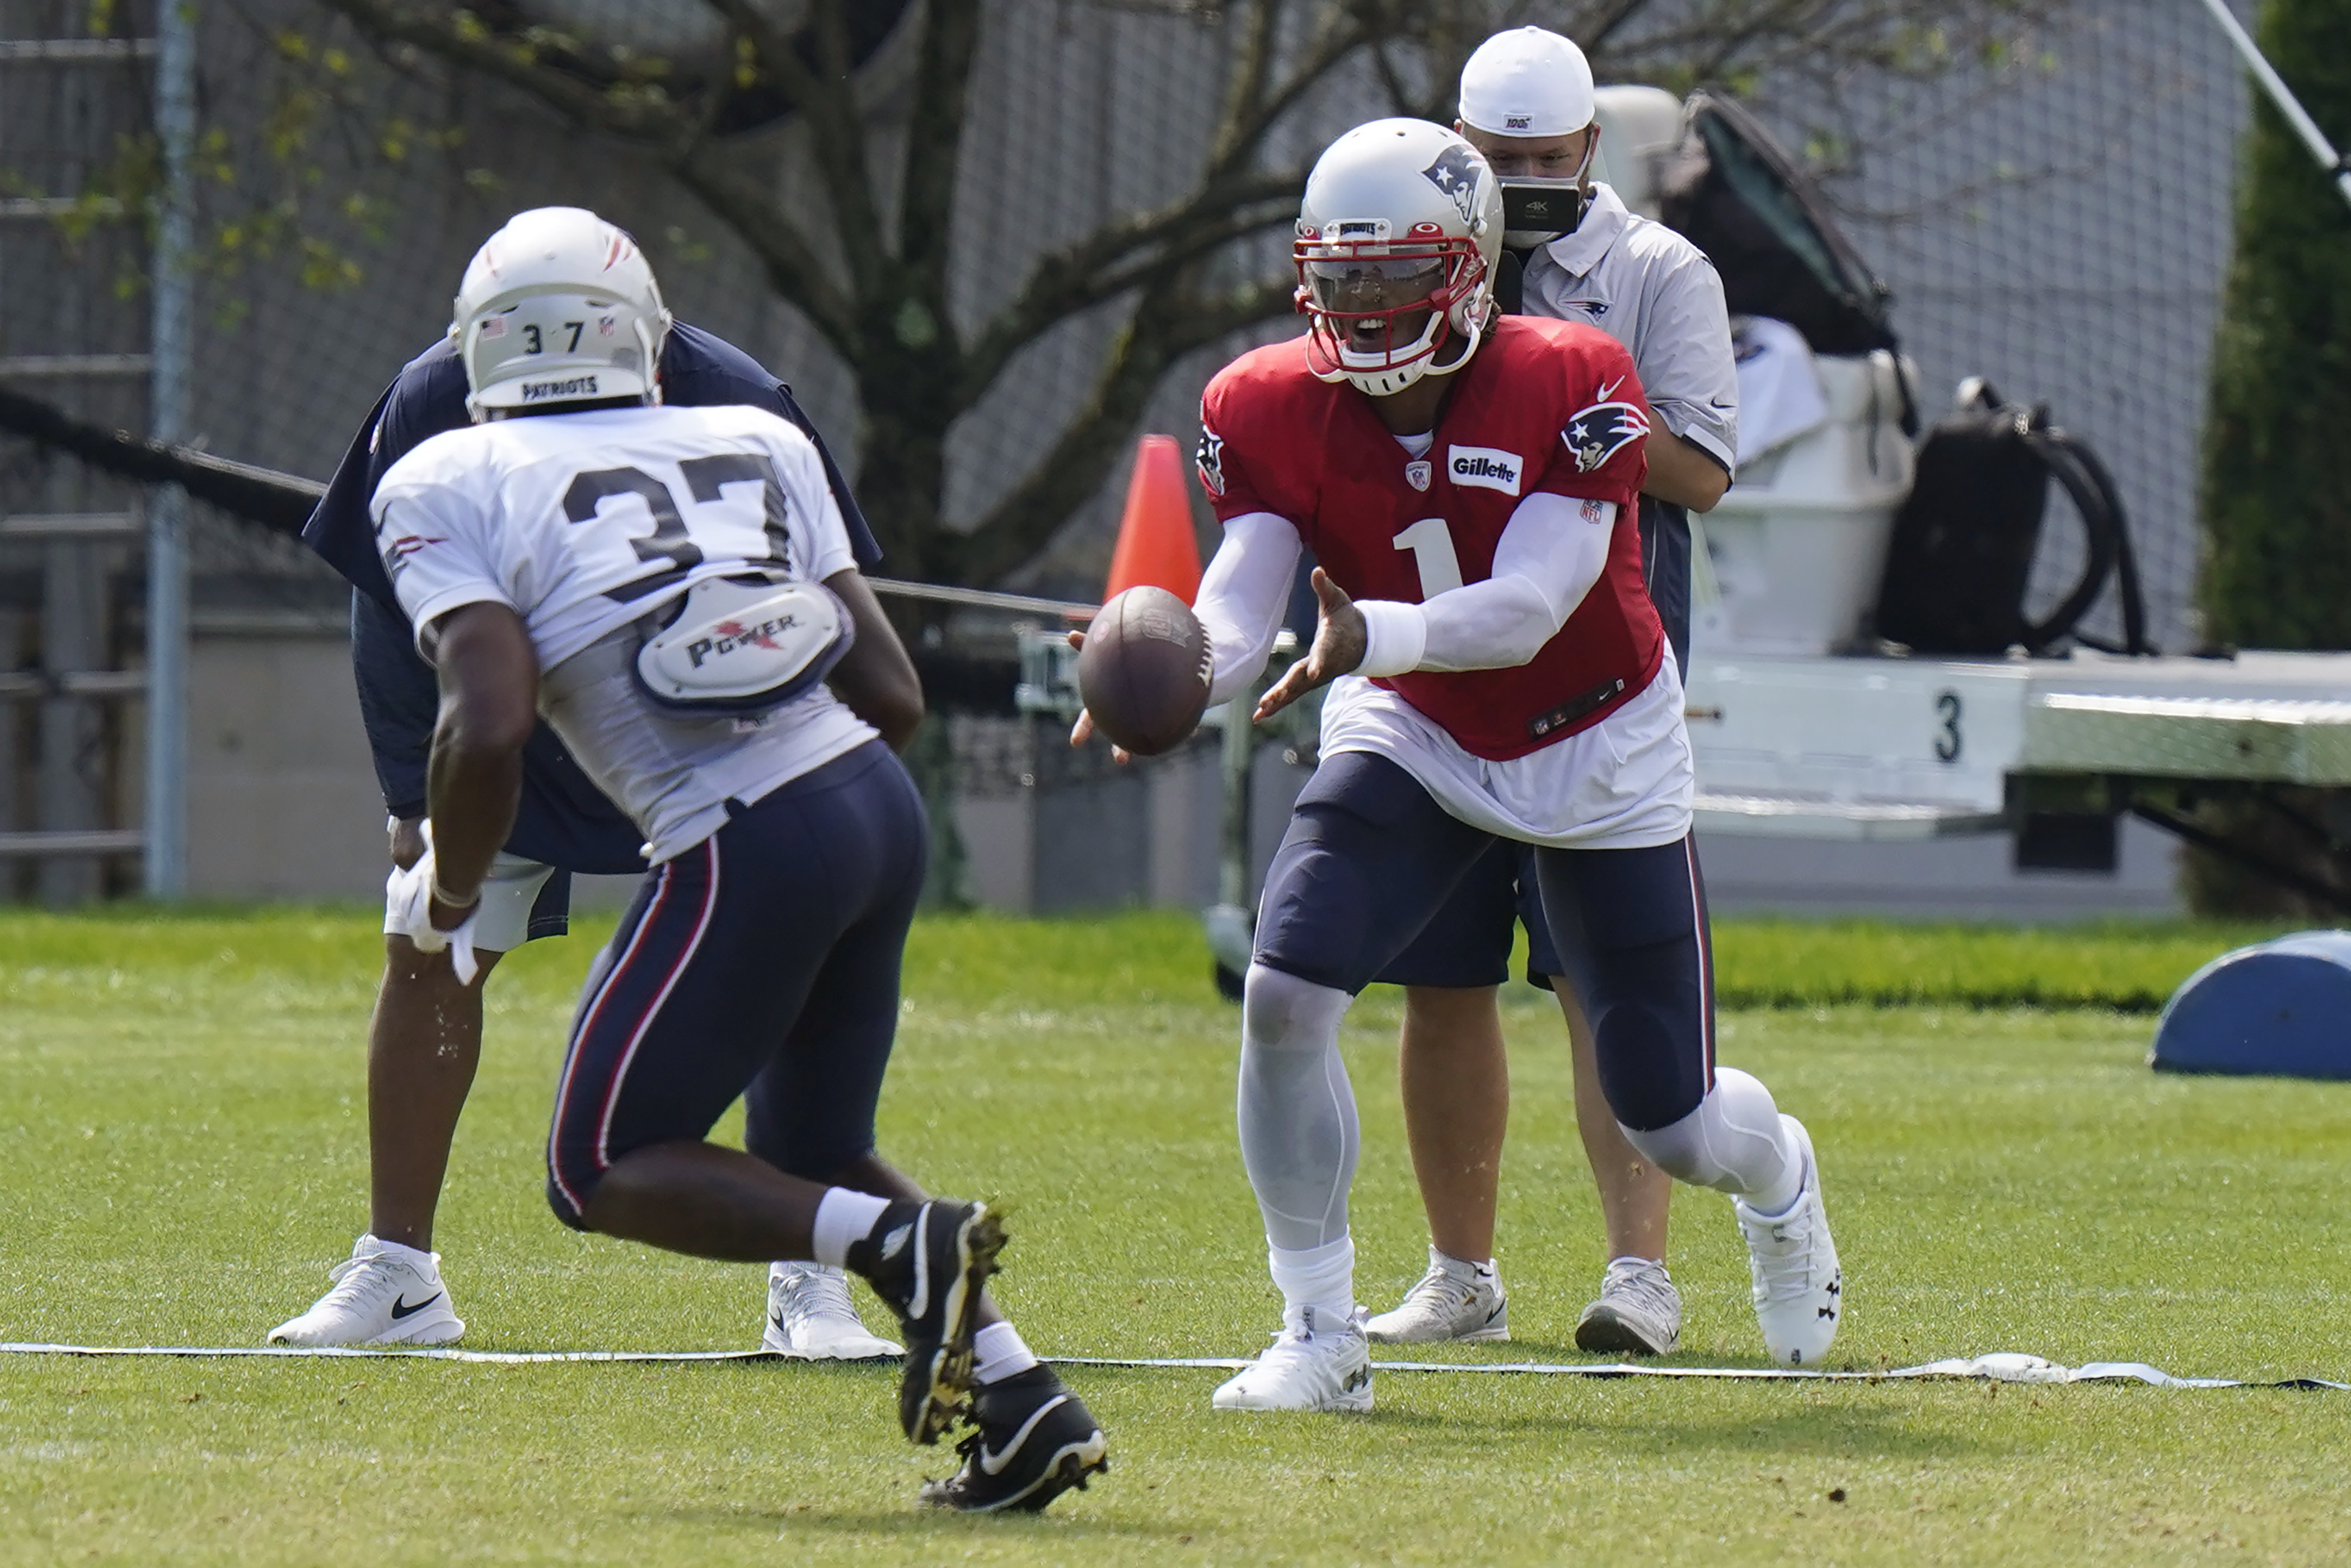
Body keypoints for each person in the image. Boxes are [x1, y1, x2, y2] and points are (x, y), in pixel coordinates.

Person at [1083, 118, 1839, 1411]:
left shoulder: (1574, 374)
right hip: (1413, 726)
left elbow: (1536, 602)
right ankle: (1320, 1333)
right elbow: (1240, 590)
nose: (1367, 307)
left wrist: (1369, 631)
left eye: (1397, 275)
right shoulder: (1264, 403)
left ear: (1475, 264)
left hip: (1596, 732)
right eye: (1345, 277)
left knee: (1675, 1118)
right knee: (1283, 994)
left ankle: (1781, 1182)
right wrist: (1184, 671)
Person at [363, 207, 1108, 1511]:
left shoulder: (445, 478)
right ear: (644, 337)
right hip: (873, 804)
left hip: (745, 835)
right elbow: (897, 692)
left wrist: (454, 892)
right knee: (818, 1145)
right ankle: (1024, 1401)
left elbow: (484, 727)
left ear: (479, 356)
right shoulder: (753, 434)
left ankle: (902, 1245)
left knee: (597, 1165)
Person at [271, 231, 906, 1362]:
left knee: (770, 956)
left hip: (718, 734)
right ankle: (398, 1268)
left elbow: (824, 612)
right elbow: (391, 604)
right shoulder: (434, 401)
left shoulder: (744, 404)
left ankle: (808, 1273)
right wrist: (410, 794)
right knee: (426, 940)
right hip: (520, 711)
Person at [1362, 24, 1745, 1358]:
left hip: (1601, 653)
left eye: (1546, 155)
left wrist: (1554, 401)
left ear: (1592, 147)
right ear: (1458, 142)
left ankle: (1638, 1273)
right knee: (1441, 971)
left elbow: (1701, 471)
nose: (1525, 178)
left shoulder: (1654, 269)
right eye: (1499, 155)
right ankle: (1460, 1272)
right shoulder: (1400, 234)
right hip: (1436, 632)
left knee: (1596, 970)